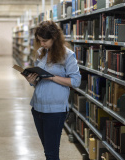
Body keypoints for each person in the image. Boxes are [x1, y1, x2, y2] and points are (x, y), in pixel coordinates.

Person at [24, 20, 81, 160]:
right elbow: (38, 80)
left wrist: (52, 77)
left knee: (51, 153)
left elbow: (76, 81)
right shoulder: (41, 53)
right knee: (47, 150)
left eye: (44, 41)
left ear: (54, 38)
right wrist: (32, 81)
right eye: (39, 40)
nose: (42, 44)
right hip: (37, 108)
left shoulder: (68, 56)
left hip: (55, 111)